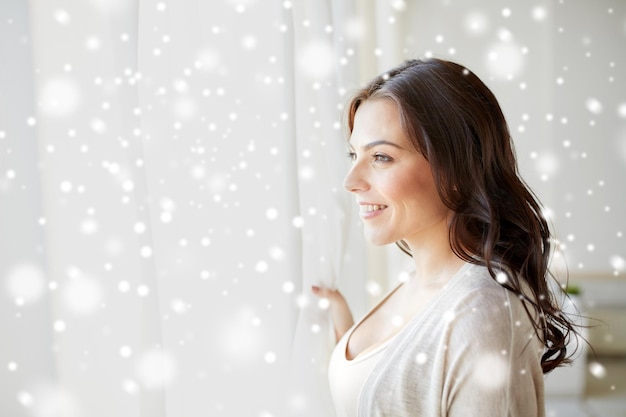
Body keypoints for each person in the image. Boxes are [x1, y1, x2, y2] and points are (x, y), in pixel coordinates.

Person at [311, 57, 579, 417]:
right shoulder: (426, 286)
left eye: (381, 157)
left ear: (455, 168)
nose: (351, 181)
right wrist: (343, 326)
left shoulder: (482, 315)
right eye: (354, 154)